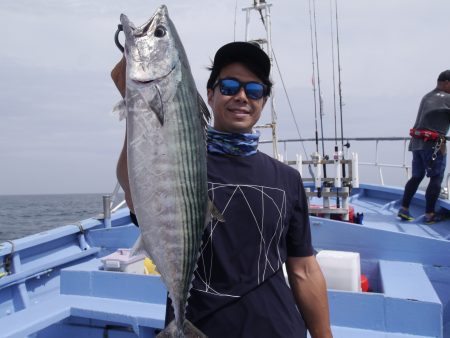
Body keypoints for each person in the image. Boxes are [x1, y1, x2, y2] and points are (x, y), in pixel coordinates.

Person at [113, 41, 332, 338]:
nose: (241, 97)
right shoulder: (179, 165)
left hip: (278, 329)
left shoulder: (287, 179)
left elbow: (304, 269)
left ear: (263, 102)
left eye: (254, 91)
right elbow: (134, 187)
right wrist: (136, 103)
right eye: (229, 86)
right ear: (210, 94)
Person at [398, 70, 450, 224]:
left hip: (417, 144)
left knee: (417, 176)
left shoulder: (427, 96)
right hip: (433, 146)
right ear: (447, 83)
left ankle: (404, 209)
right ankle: (430, 215)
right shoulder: (447, 98)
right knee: (436, 177)